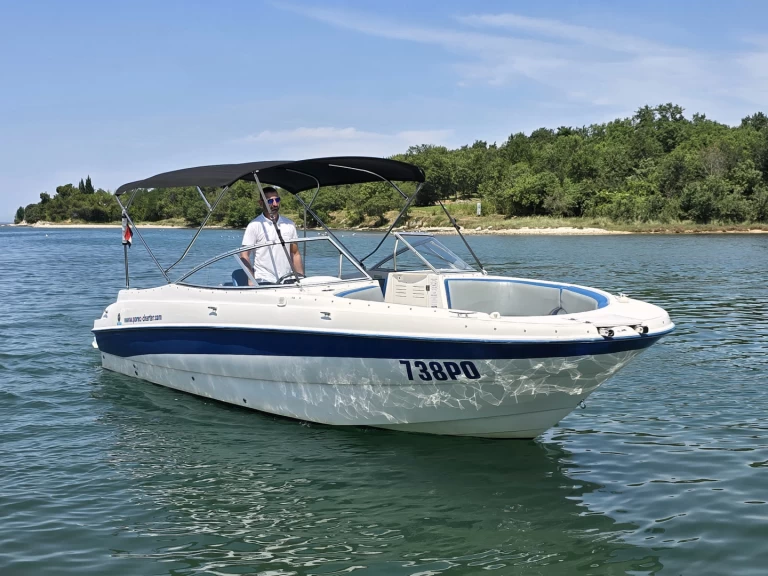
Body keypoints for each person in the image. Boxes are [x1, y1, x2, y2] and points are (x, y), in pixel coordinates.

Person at [239, 187, 304, 284]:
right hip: (264, 279)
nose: (275, 204)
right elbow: (244, 255)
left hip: (287, 279)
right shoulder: (254, 225)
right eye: (270, 201)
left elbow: (295, 253)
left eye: (277, 200)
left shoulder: (289, 224)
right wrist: (251, 280)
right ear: (261, 203)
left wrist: (301, 279)